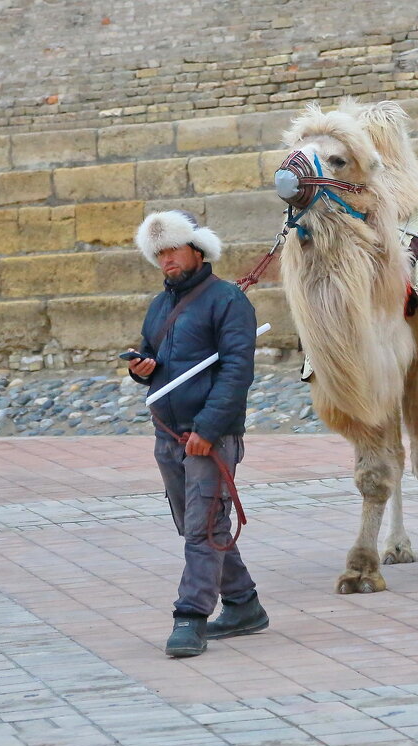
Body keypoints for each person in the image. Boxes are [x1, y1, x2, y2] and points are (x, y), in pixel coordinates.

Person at [130, 209, 269, 658]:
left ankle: (190, 616)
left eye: (172, 249)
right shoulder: (158, 306)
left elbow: (236, 373)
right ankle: (244, 604)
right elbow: (155, 357)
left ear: (196, 248)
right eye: (159, 253)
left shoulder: (228, 301)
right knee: (195, 524)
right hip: (167, 434)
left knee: (202, 528)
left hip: (210, 436)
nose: (166, 260)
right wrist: (142, 367)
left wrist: (208, 429)